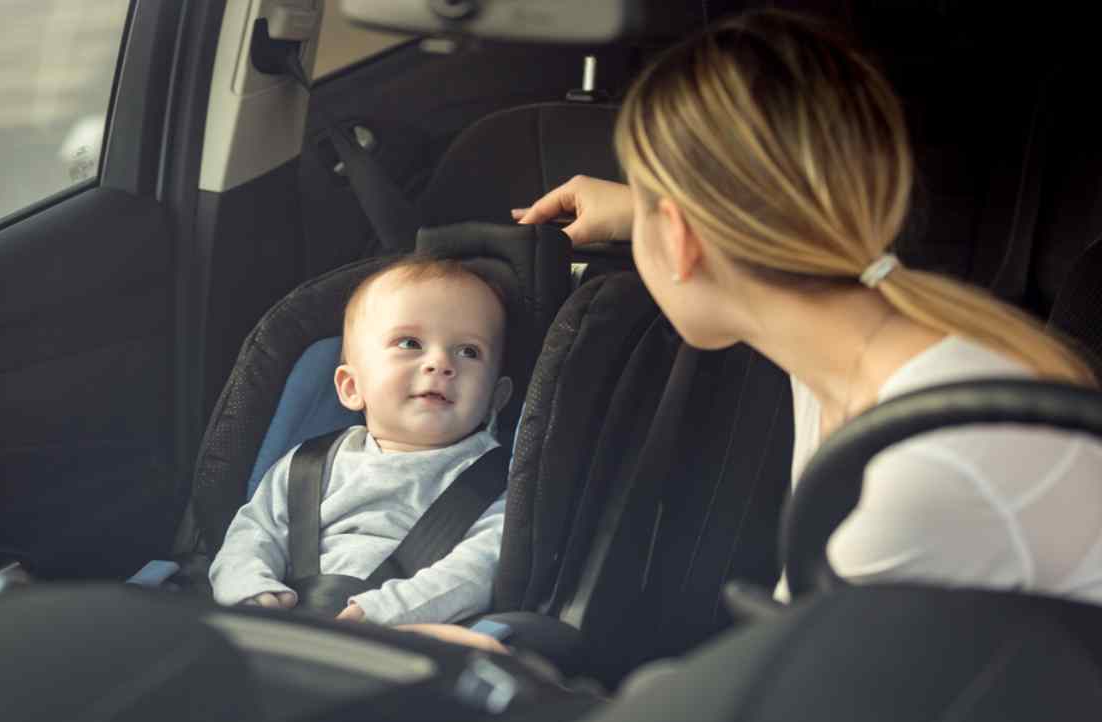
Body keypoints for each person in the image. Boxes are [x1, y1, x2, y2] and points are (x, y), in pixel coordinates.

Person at [409, 8, 1102, 655]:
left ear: (681, 238)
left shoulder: (913, 468)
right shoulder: (860, 336)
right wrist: (636, 209)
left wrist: (517, 682)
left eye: (653, 210)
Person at [209, 256, 514, 626]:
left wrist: (384, 612)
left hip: (412, 633)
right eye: (410, 342)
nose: (440, 363)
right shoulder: (308, 463)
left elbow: (480, 567)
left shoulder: (499, 482)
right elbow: (253, 534)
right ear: (352, 387)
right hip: (285, 623)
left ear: (496, 398)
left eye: (469, 351)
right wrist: (249, 590)